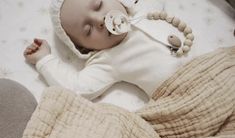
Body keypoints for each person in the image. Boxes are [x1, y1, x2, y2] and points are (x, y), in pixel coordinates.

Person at [24, 0, 189, 101]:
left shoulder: (146, 10)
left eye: (98, 5)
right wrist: (44, 59)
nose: (100, 20)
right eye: (88, 30)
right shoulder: (106, 59)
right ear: (83, 48)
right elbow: (76, 88)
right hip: (180, 95)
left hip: (210, 63)